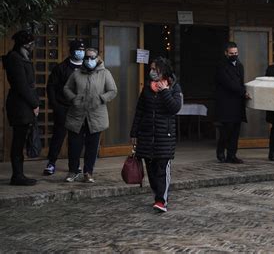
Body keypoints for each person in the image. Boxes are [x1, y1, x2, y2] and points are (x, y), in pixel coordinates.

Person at [130, 57, 182, 213]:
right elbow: (139, 111)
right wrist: (134, 132)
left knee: (162, 168)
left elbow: (175, 108)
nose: (152, 72)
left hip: (164, 136)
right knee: (151, 170)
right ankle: (157, 195)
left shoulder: (174, 87)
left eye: (155, 69)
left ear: (163, 70)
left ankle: (161, 200)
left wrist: (165, 91)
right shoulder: (147, 88)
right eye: (151, 69)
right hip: (147, 135)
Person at [63, 48, 117, 183]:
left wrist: (101, 98)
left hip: (96, 116)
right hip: (77, 115)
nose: (89, 60)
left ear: (98, 58)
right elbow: (66, 88)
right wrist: (73, 98)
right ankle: (73, 171)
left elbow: (113, 91)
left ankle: (88, 172)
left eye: (92, 57)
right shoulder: (76, 73)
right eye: (87, 57)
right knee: (74, 145)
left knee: (92, 147)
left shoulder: (105, 73)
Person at [2, 30, 40, 186]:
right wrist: (34, 104)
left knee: (21, 138)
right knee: (18, 140)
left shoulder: (22, 57)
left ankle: (19, 174)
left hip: (23, 103)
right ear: (24, 44)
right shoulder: (14, 58)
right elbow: (21, 85)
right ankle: (17, 175)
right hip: (19, 105)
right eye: (30, 44)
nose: (32, 47)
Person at [43, 39, 85, 175]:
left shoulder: (87, 67)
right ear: (72, 51)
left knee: (77, 138)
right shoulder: (61, 67)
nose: (81, 52)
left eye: (83, 50)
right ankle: (51, 162)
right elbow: (51, 87)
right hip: (62, 107)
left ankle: (75, 164)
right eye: (78, 50)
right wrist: (55, 104)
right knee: (58, 135)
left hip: (79, 108)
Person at [215, 41, 250, 164]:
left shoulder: (239, 66)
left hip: (237, 104)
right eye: (231, 53)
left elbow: (240, 82)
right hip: (226, 104)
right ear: (226, 53)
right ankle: (220, 151)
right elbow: (229, 84)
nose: (234, 55)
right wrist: (243, 92)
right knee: (226, 131)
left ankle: (232, 155)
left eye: (236, 53)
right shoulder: (221, 66)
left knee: (235, 132)